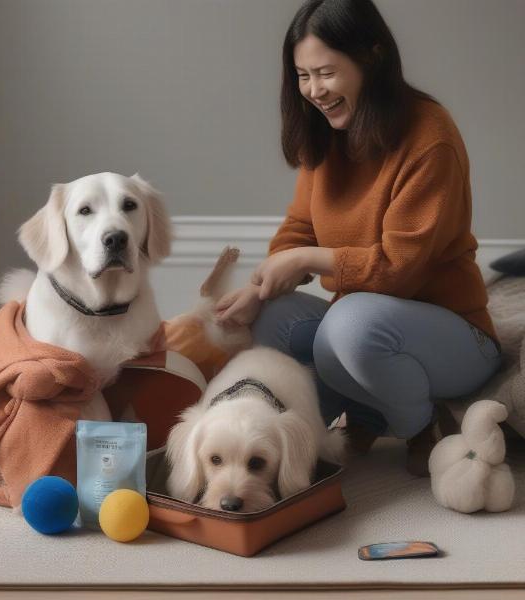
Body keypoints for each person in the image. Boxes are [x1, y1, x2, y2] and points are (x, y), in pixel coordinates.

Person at [215, 0, 502, 476]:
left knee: (347, 326)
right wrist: (256, 289)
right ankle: (363, 413)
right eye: (303, 76)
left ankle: (417, 425)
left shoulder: (430, 135)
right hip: (362, 326)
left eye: (326, 72)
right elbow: (299, 229)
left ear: (372, 57)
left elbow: (397, 267)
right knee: (274, 317)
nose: (314, 91)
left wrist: (306, 258)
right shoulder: (326, 134)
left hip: (457, 338)